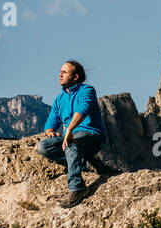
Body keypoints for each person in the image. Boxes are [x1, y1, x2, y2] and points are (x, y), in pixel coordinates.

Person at [35, 60, 108, 207]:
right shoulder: (59, 100)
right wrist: (49, 131)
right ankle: (85, 164)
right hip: (72, 137)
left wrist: (68, 130)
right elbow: (51, 122)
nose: (60, 75)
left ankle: (77, 187)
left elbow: (83, 110)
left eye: (64, 72)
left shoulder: (87, 90)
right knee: (43, 147)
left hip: (91, 135)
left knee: (70, 143)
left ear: (75, 77)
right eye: (60, 71)